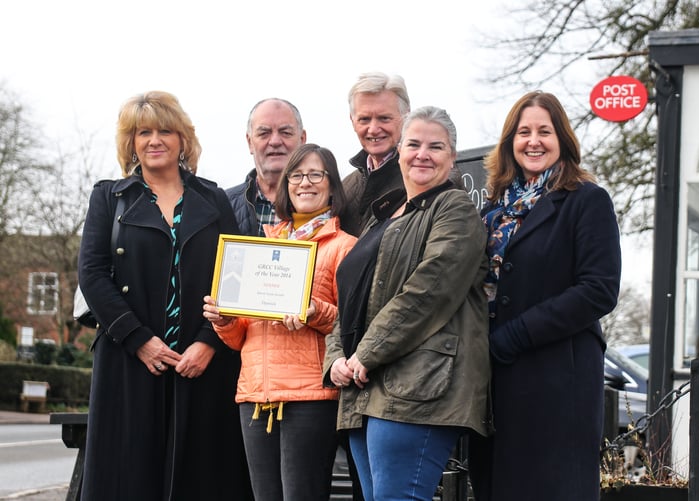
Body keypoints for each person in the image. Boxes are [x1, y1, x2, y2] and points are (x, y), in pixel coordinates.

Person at [77, 91, 252, 500]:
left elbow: (237, 272)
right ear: (131, 142)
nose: (155, 140)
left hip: (203, 364)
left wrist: (209, 344)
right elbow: (92, 274)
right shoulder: (108, 197)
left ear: (181, 139)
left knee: (204, 477)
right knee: (128, 476)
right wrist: (139, 340)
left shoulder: (214, 199)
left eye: (165, 131)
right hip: (129, 361)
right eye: (144, 132)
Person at [324, 106, 491, 501]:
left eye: (436, 146)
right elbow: (347, 296)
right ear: (399, 151)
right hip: (364, 388)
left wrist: (366, 353)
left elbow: (428, 291)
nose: (423, 154)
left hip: (419, 387)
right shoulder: (380, 218)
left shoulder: (455, 209)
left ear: (452, 157)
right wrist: (335, 359)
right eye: (414, 144)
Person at [469, 91, 622, 501]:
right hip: (494, 381)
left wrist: (513, 336)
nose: (533, 141)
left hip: (557, 379)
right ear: (509, 142)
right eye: (523, 132)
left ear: (563, 140)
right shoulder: (491, 211)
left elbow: (599, 290)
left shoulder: (587, 200)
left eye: (544, 131)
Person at [203, 143, 357, 501]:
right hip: (255, 393)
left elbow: (352, 323)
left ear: (332, 185)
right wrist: (224, 319)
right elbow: (241, 336)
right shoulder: (258, 246)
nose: (305, 183)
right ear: (286, 185)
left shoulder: (344, 246)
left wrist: (312, 309)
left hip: (310, 395)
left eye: (315, 174)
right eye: (297, 175)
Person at [339, 72, 411, 236]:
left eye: (384, 118)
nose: (373, 129)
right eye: (364, 119)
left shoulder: (427, 179)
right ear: (352, 121)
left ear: (406, 116)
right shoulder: (345, 189)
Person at [226, 98, 307, 236]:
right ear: (250, 142)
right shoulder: (224, 206)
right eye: (264, 133)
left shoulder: (329, 205)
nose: (275, 141)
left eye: (285, 133)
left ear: (302, 139)